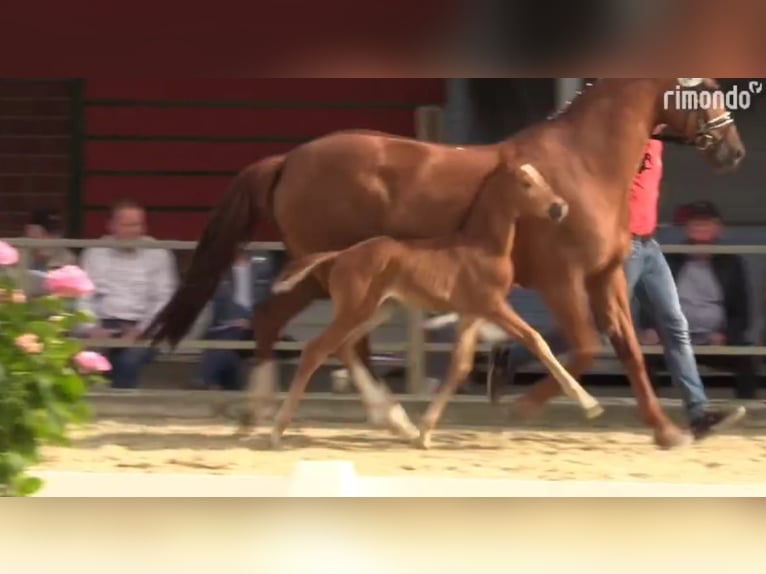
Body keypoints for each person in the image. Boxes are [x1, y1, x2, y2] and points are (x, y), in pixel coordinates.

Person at [486, 127, 746, 440]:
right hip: (621, 247)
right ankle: (513, 356)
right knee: (595, 328)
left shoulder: (658, 136)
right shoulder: (620, 138)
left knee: (675, 324)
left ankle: (698, 412)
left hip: (649, 246)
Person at [639, 201, 758, 399]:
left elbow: (741, 311)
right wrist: (651, 328)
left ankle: (746, 410)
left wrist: (725, 334)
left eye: (706, 223)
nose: (700, 227)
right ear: (686, 228)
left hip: (713, 339)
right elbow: (650, 299)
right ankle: (651, 410)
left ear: (718, 228)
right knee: (641, 356)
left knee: (747, 358)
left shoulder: (731, 262)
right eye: (695, 223)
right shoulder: (669, 259)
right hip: (673, 338)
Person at [78, 199, 178, 389]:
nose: (134, 231)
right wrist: (91, 328)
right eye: (127, 225)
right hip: (101, 325)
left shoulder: (158, 253)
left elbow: (164, 300)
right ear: (111, 226)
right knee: (87, 358)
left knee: (129, 360)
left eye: (138, 225)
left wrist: (142, 330)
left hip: (143, 329)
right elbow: (83, 296)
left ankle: (119, 408)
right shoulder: (94, 252)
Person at [23, 209, 76, 298]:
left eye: (55, 233)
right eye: (44, 233)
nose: (52, 238)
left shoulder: (68, 260)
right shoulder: (16, 256)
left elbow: (69, 297)